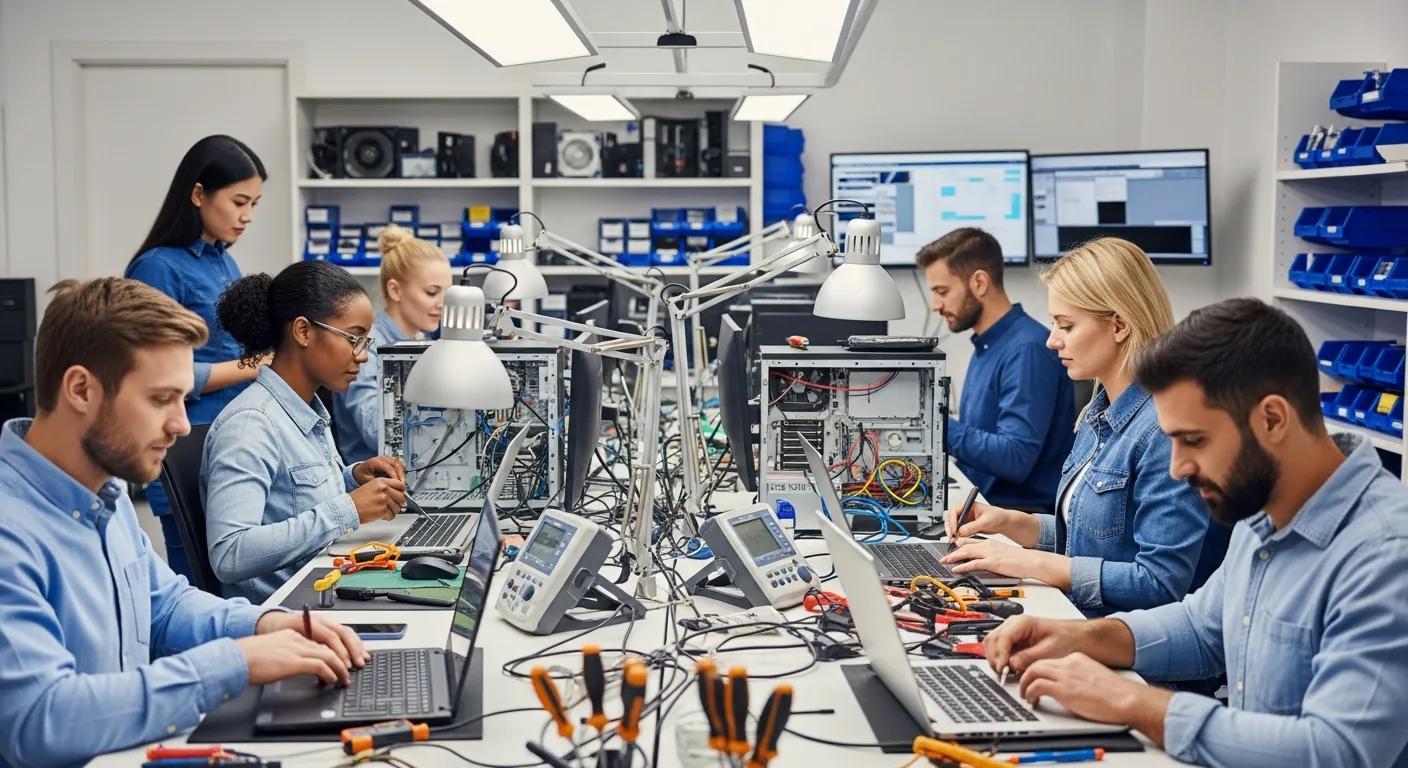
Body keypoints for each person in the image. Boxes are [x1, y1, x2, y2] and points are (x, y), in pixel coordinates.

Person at [982, 298, 1408, 767]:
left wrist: (1135, 703)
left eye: (1195, 440)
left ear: (1272, 419)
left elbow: (1337, 752)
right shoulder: (1265, 507)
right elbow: (1202, 629)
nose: (1179, 467)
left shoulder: (1385, 556)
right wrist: (1074, 637)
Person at [0, 278, 370, 767]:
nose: (179, 424)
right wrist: (233, 663)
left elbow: (165, 607)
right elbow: (38, 720)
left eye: (182, 399)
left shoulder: (101, 496)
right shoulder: (12, 530)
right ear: (81, 390)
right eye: (161, 399)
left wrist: (268, 624)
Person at [942, 238, 1229, 615]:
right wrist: (1013, 524)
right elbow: (1091, 540)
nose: (1051, 340)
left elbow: (1159, 583)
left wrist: (1028, 563)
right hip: (1077, 618)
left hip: (1122, 649)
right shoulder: (1099, 411)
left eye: (1066, 325)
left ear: (1119, 326)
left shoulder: (1162, 429)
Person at [201, 260, 408, 602]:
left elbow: (289, 499)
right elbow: (230, 553)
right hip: (286, 616)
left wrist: (352, 477)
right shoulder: (250, 425)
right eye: (353, 339)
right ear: (303, 331)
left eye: (365, 343)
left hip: (323, 590)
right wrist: (348, 509)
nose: (362, 357)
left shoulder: (306, 409)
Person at [125, 135, 270, 580]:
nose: (246, 216)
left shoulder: (224, 263)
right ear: (198, 194)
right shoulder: (157, 268)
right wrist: (256, 365)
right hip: (186, 445)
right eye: (238, 201)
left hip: (233, 441)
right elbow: (156, 374)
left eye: (255, 204)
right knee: (201, 590)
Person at [918, 228, 1074, 513]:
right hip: (984, 510)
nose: (936, 306)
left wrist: (932, 424)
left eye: (943, 292)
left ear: (979, 282)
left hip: (1017, 527)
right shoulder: (989, 345)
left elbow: (1015, 458)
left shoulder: (1027, 351)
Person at [333, 224, 451, 463]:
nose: (442, 303)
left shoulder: (424, 342)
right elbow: (377, 433)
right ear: (395, 290)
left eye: (446, 293)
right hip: (372, 482)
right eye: (431, 292)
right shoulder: (367, 348)